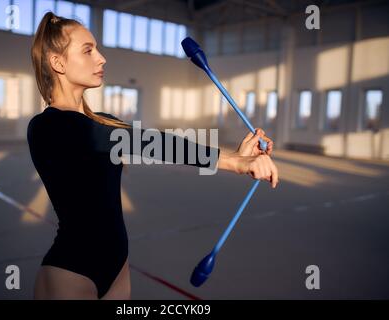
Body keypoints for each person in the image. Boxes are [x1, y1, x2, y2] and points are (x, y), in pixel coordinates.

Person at [27, 11, 279, 300]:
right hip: (71, 273)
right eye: (88, 50)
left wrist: (235, 153)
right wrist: (234, 162)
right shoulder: (47, 126)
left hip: (117, 267)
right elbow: (149, 143)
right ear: (58, 62)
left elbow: (157, 144)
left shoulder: (103, 121)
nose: (101, 58)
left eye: (96, 48)